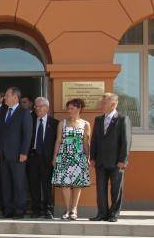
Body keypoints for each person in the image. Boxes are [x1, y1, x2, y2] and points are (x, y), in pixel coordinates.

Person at [90, 92, 132, 223]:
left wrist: (123, 160)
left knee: (116, 189)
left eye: (104, 103)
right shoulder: (98, 119)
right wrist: (92, 157)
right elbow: (94, 139)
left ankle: (114, 214)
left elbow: (126, 141)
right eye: (101, 102)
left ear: (113, 104)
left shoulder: (122, 119)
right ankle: (102, 213)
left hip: (116, 162)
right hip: (100, 161)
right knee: (101, 189)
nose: (101, 105)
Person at [0, 87, 33, 219]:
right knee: (5, 184)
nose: (5, 98)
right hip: (3, 155)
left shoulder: (24, 113)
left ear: (15, 97)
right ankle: (8, 210)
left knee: (18, 183)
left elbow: (27, 134)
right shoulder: (3, 112)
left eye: (7, 95)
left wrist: (24, 152)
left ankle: (20, 210)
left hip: (17, 155)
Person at [52, 98, 91, 220]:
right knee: (65, 184)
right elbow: (58, 141)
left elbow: (86, 143)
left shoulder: (85, 124)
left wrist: (88, 157)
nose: (69, 110)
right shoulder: (62, 123)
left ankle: (74, 209)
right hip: (64, 156)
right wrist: (54, 157)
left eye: (71, 108)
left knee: (77, 184)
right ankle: (67, 209)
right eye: (68, 108)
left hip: (79, 156)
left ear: (79, 109)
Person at [27, 97, 59, 219]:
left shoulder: (55, 123)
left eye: (40, 106)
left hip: (47, 159)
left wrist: (54, 158)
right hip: (32, 157)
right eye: (36, 106)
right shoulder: (30, 120)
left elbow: (57, 142)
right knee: (33, 185)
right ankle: (36, 210)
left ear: (47, 108)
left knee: (47, 185)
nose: (37, 108)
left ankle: (48, 210)